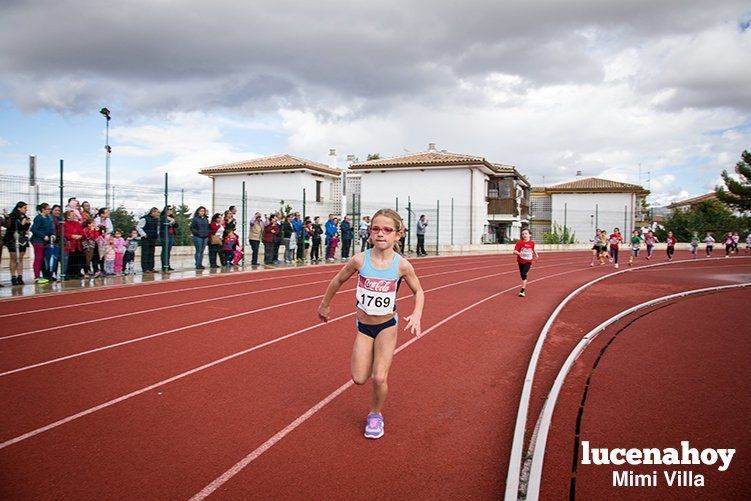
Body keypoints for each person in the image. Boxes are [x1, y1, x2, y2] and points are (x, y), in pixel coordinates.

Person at [317, 208, 424, 440]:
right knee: (358, 378)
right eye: (376, 229)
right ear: (370, 233)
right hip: (364, 326)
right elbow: (338, 280)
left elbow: (419, 291)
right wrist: (324, 304)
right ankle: (375, 359)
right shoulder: (359, 260)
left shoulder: (402, 265)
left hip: (387, 325)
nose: (381, 234)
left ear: (398, 235)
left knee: (379, 378)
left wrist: (416, 314)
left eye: (387, 230)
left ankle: (375, 414)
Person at [3, 201, 31, 285]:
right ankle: (13, 277)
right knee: (13, 258)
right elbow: (10, 227)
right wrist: (22, 224)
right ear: (19, 208)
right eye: (24, 208)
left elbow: (24, 229)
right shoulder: (12, 217)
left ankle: (20, 276)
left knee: (21, 258)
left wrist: (27, 224)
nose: (26, 210)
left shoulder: (25, 217)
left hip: (22, 239)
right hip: (12, 239)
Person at [30, 203, 53, 284]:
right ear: (43, 209)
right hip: (38, 241)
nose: (50, 210)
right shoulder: (38, 218)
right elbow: (33, 229)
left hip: (45, 241)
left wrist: (51, 235)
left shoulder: (48, 218)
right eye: (48, 209)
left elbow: (50, 228)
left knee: (43, 258)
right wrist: (43, 236)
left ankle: (43, 275)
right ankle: (37, 276)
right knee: (38, 258)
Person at [513, 227, 539, 297]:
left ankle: (522, 290)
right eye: (523, 234)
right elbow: (514, 251)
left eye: (526, 233)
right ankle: (525, 273)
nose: (524, 235)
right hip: (520, 261)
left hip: (528, 260)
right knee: (522, 275)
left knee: (524, 273)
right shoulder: (519, 243)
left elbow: (533, 249)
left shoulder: (532, 243)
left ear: (530, 235)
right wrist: (519, 254)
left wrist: (536, 254)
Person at [137, 207, 160, 273]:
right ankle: (145, 268)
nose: (157, 214)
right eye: (156, 212)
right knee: (145, 253)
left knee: (151, 253)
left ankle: (151, 267)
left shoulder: (156, 220)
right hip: (146, 239)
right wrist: (143, 234)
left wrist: (157, 234)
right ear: (152, 212)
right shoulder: (144, 219)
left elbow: (157, 228)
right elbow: (138, 227)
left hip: (153, 238)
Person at [63, 209, 84, 279]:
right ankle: (68, 274)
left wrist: (80, 236)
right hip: (70, 244)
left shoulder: (77, 223)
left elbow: (81, 232)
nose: (74, 216)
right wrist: (71, 236)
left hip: (77, 244)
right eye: (72, 215)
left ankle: (76, 273)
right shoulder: (65, 224)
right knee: (70, 260)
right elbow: (64, 233)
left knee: (77, 259)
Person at [160, 205, 177, 272]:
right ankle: (164, 265)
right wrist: (170, 222)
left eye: (171, 209)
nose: (171, 210)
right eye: (169, 209)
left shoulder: (172, 217)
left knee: (168, 250)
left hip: (171, 234)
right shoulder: (163, 217)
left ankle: (168, 265)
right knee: (165, 250)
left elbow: (176, 225)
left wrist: (173, 221)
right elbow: (162, 226)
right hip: (165, 234)